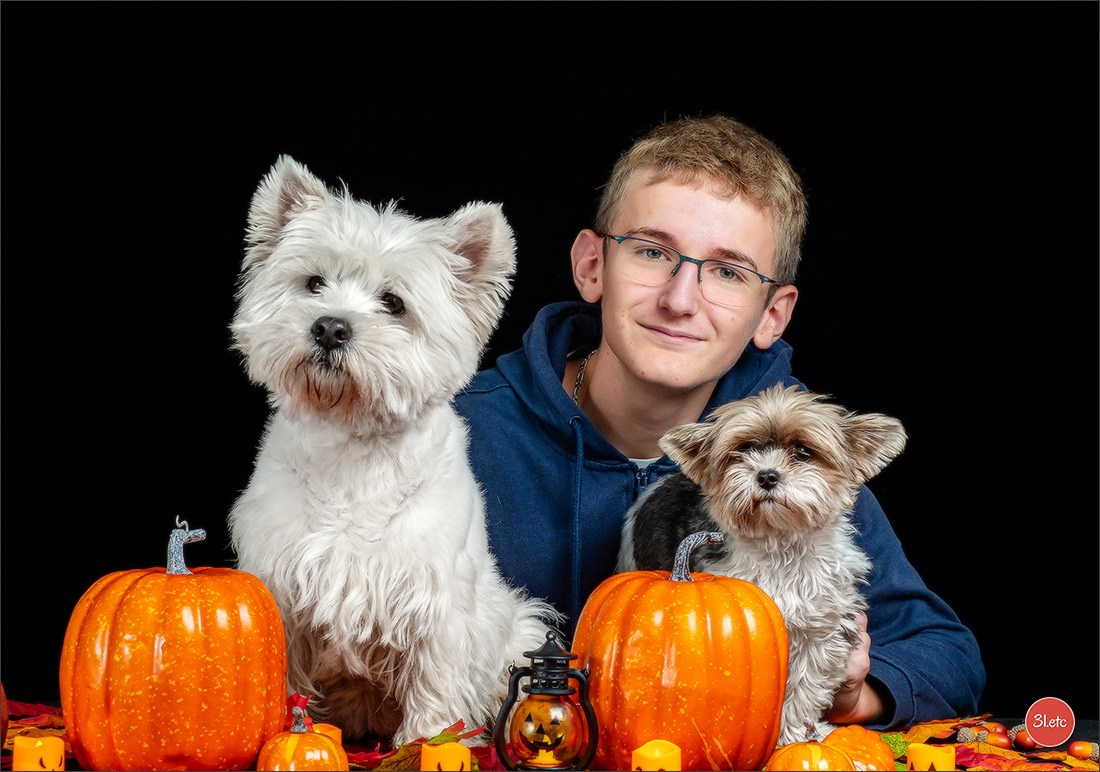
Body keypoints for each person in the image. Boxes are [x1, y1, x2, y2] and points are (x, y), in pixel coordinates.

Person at [453, 114, 985, 729]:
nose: (680, 299)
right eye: (653, 252)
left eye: (729, 272)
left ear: (772, 314)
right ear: (592, 265)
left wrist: (852, 695)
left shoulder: (804, 458)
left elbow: (946, 652)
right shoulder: (460, 429)